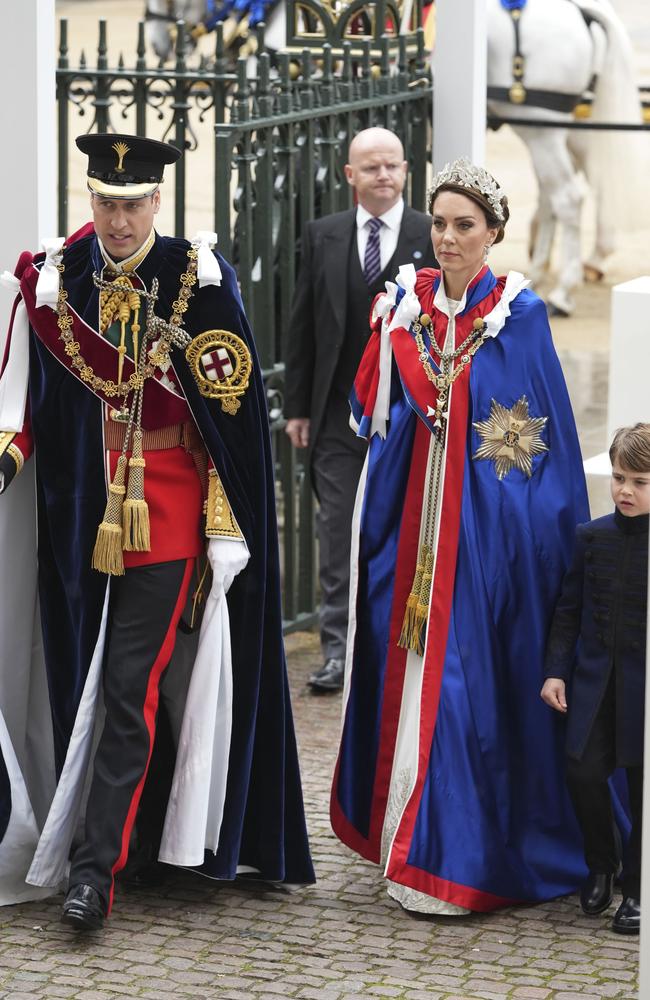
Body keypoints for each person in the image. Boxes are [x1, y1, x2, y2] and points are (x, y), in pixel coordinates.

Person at [0, 133, 314, 928]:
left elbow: (230, 418)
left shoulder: (198, 282)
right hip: (79, 514)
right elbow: (29, 404)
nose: (117, 219)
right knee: (82, 682)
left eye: (132, 204)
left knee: (127, 690)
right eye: (105, 202)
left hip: (166, 513)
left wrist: (223, 523)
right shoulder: (59, 282)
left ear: (156, 204)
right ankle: (124, 846)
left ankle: (91, 877)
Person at [330, 156, 590, 913]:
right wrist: (391, 340)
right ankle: (406, 834)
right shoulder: (404, 308)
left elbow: (530, 451)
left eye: (464, 227)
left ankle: (455, 854)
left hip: (482, 540)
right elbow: (368, 412)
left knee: (467, 684)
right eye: (439, 224)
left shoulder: (519, 315)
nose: (447, 238)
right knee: (408, 672)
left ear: (494, 235)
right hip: (409, 528)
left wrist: (500, 540)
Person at [284, 127, 436, 693]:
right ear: (351, 175)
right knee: (336, 531)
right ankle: (336, 651)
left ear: (404, 171)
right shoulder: (322, 236)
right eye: (371, 168)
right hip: (335, 418)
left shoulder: (431, 234)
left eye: (392, 166)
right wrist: (298, 407)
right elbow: (302, 327)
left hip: (409, 420)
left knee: (403, 529)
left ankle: (395, 646)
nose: (383, 176)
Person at [542, 423, 649, 935]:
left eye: (641, 482)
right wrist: (556, 672)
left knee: (643, 789)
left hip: (644, 692)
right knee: (582, 772)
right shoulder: (591, 536)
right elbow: (568, 610)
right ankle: (601, 864)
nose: (626, 491)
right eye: (620, 479)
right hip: (592, 684)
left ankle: (637, 889)